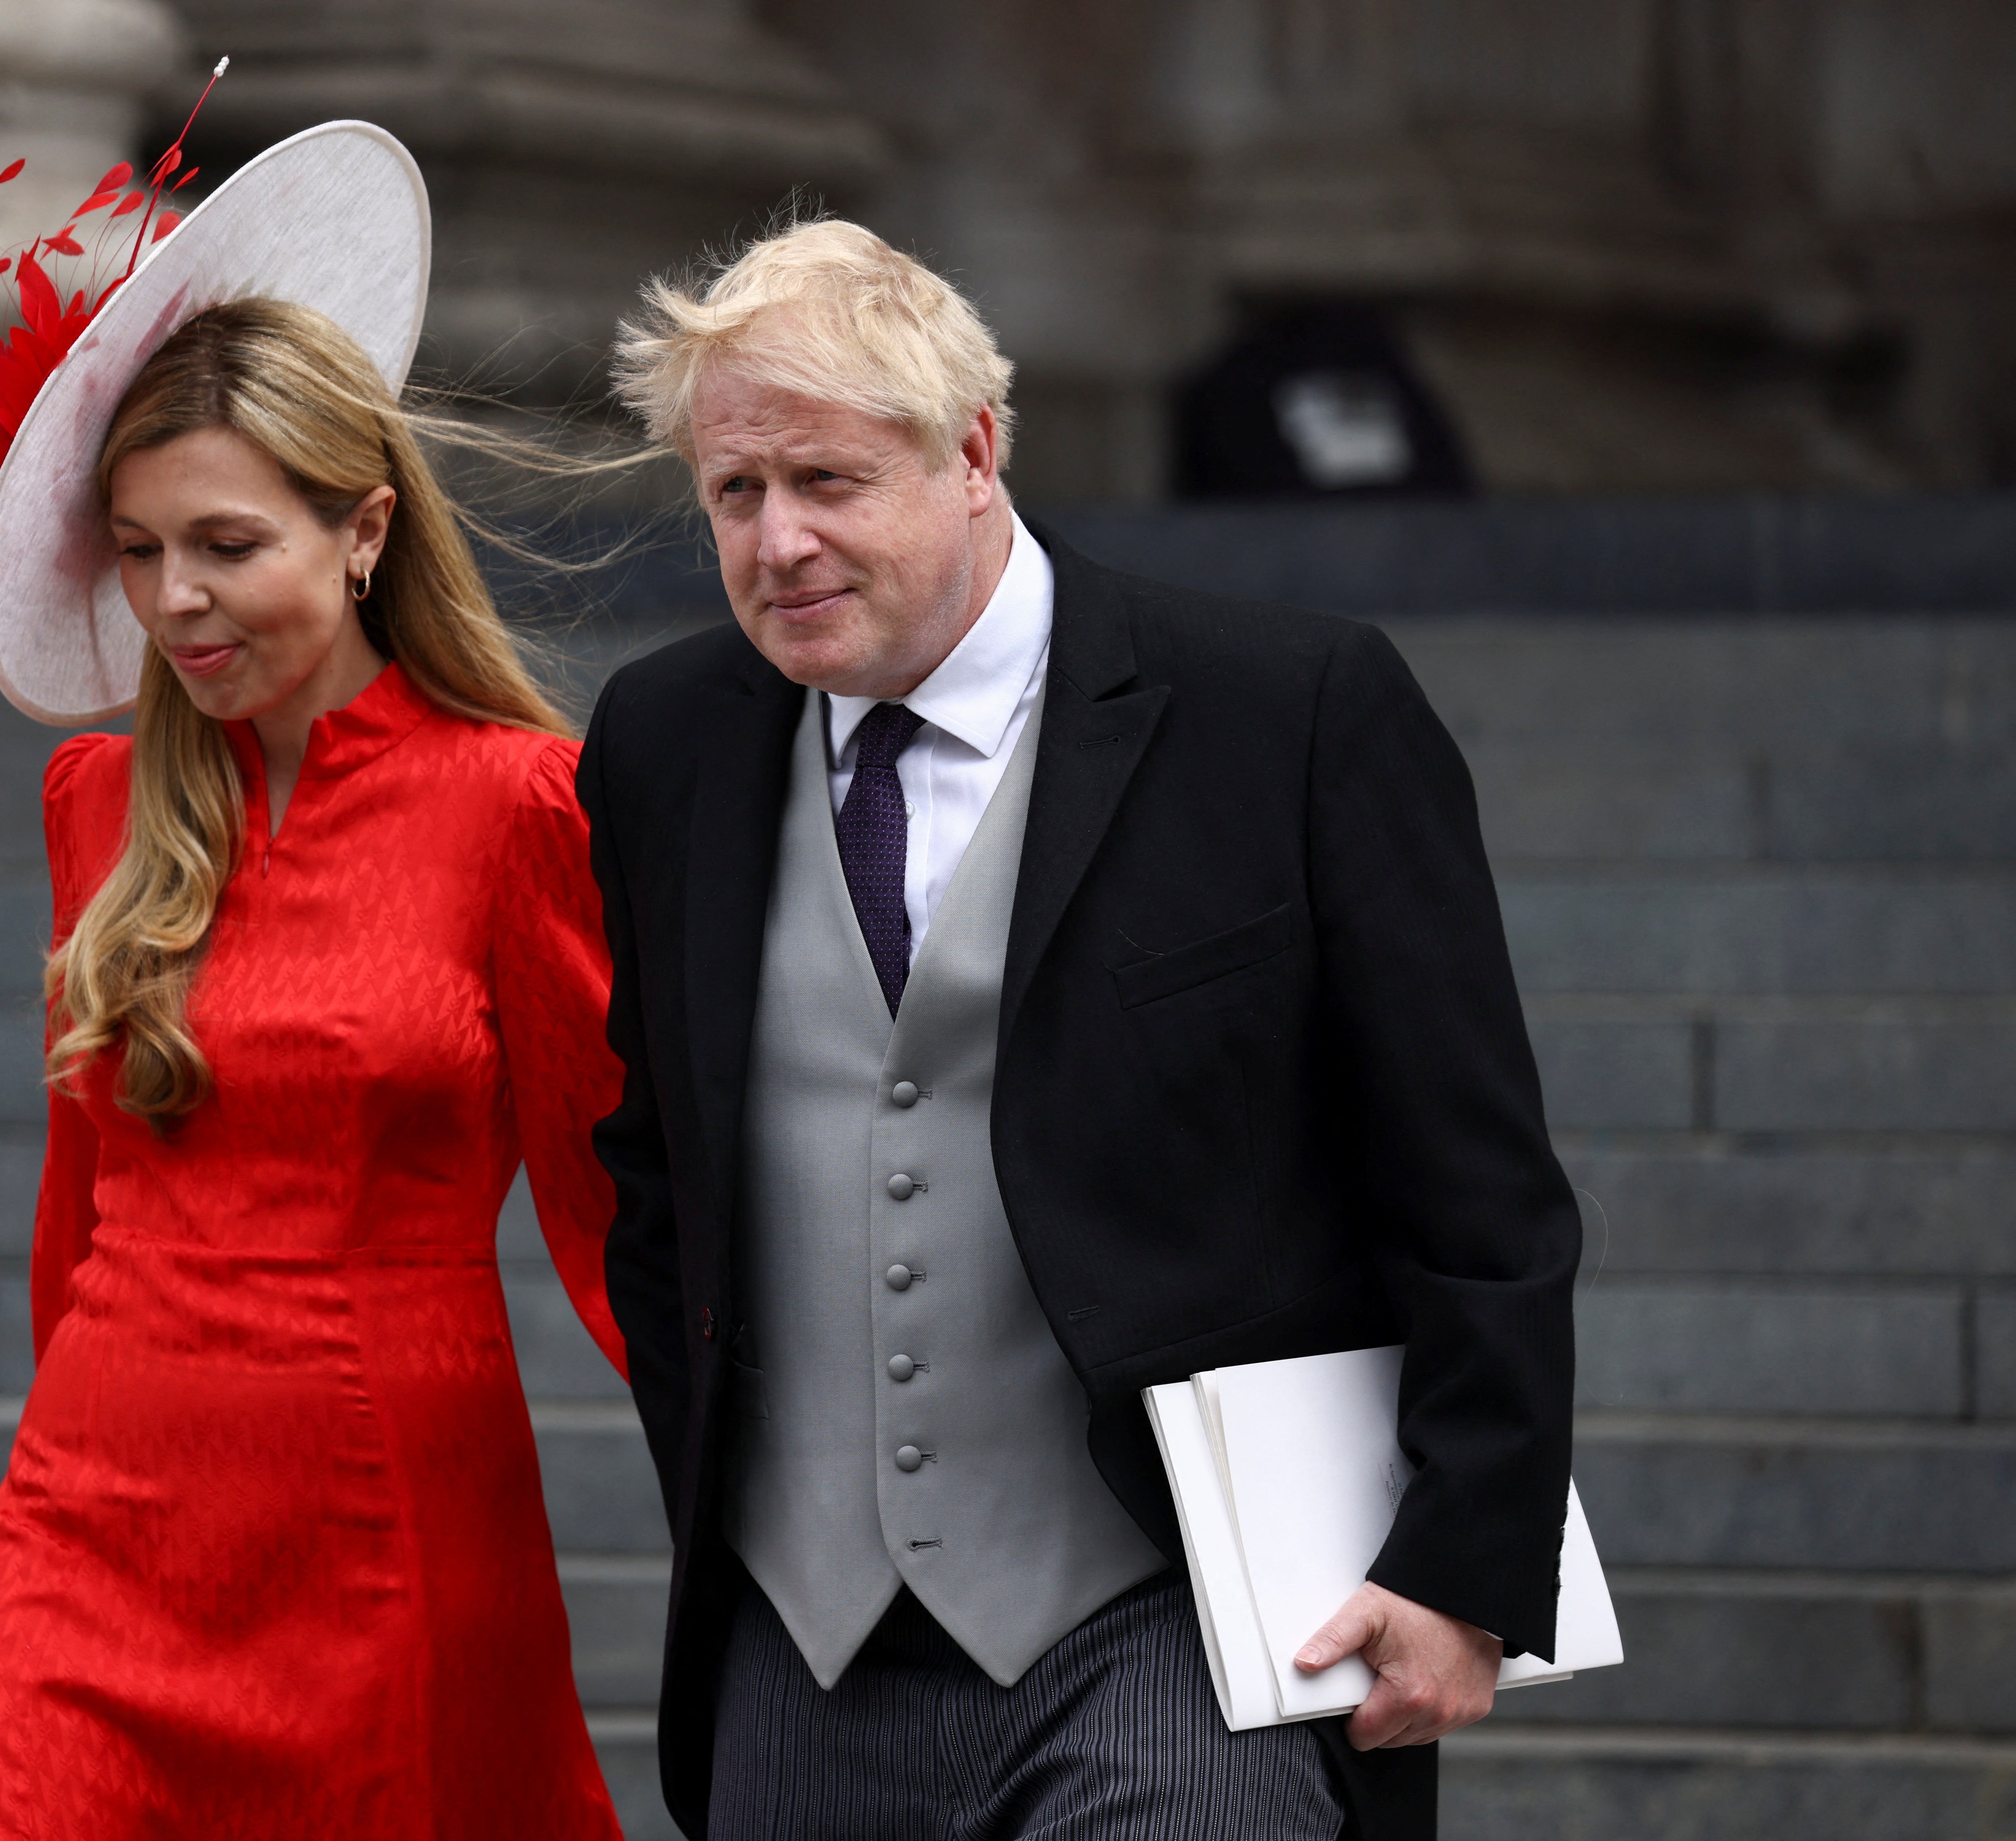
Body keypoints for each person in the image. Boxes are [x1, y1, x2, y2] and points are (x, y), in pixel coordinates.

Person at [577, 218, 1580, 1841]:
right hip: (801, 1645)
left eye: (825, 481)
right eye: (731, 494)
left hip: (1176, 1618)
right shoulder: (663, 740)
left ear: (971, 450)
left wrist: (1462, 1560)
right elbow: (656, 1176)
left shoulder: (1290, 712)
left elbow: (1474, 1184)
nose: (775, 543)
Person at [0, 125, 630, 1838]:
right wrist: (65, 1465)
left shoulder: (515, 807)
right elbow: (75, 1206)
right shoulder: (96, 802)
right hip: (90, 1518)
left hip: (380, 1522)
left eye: (225, 543)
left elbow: (615, 1217)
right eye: (140, 552)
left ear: (363, 527)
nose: (175, 601)